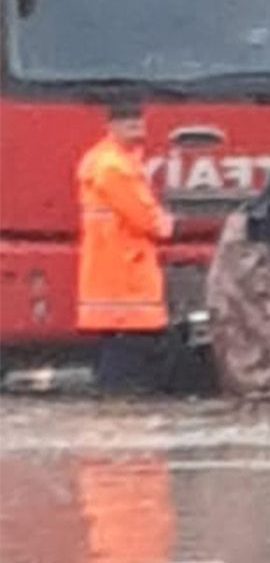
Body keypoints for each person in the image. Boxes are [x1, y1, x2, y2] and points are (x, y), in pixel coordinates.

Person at [77, 101, 174, 393]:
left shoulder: (112, 160)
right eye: (130, 125)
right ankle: (121, 395)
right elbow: (144, 215)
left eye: (140, 124)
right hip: (123, 269)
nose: (138, 130)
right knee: (128, 343)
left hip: (115, 265)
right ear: (111, 126)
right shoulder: (115, 166)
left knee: (118, 341)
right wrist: (165, 224)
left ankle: (116, 392)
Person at [205, 160, 270, 400]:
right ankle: (263, 391)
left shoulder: (243, 211)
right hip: (259, 281)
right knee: (265, 336)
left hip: (226, 284)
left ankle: (238, 388)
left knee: (234, 335)